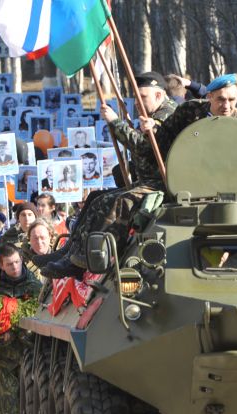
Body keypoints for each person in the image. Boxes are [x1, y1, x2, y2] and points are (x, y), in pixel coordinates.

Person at [41, 71, 180, 279]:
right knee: (96, 198)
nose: (137, 103)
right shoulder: (154, 114)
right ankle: (71, 250)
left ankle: (83, 261)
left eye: (143, 97)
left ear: (159, 95)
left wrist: (116, 123)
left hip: (160, 184)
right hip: (146, 180)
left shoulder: (165, 114)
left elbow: (143, 147)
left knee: (116, 202)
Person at [0, 244, 42, 414]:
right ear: (1, 265)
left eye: (17, 262)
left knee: (35, 406)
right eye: (9, 264)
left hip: (31, 355)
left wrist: (20, 328)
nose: (14, 267)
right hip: (4, 359)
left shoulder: (35, 287)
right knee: (9, 408)